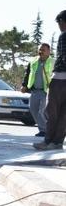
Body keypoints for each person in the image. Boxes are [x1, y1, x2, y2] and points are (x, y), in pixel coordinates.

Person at [34, 10, 66, 151]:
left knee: (51, 111)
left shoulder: (64, 36)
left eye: (59, 22)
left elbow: (64, 56)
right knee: (64, 114)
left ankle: (48, 141)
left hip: (60, 79)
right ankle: (57, 142)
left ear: (62, 22)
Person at [22, 43, 53, 137]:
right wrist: (24, 85)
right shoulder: (33, 61)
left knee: (42, 111)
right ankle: (43, 129)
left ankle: (47, 130)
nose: (41, 51)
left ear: (48, 51)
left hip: (46, 91)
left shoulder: (53, 62)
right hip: (35, 90)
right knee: (33, 109)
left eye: (43, 50)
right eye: (40, 49)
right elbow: (27, 74)